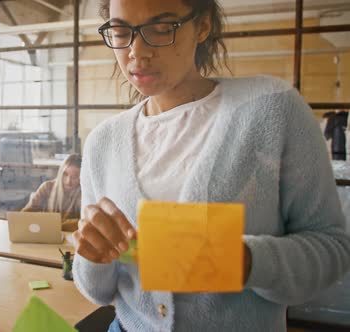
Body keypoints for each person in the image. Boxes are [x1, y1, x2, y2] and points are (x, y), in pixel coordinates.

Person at [72, 0, 350, 331]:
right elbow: (99, 292)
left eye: (161, 28)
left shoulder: (272, 110)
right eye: (120, 31)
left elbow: (332, 248)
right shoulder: (102, 142)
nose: (137, 52)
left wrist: (247, 261)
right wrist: (91, 256)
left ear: (202, 26)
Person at [22, 154, 81, 231]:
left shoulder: (84, 194)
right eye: (65, 174)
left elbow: (83, 222)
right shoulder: (47, 187)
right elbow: (24, 215)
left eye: (74, 177)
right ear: (60, 172)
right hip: (45, 234)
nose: (68, 181)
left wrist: (49, 224)